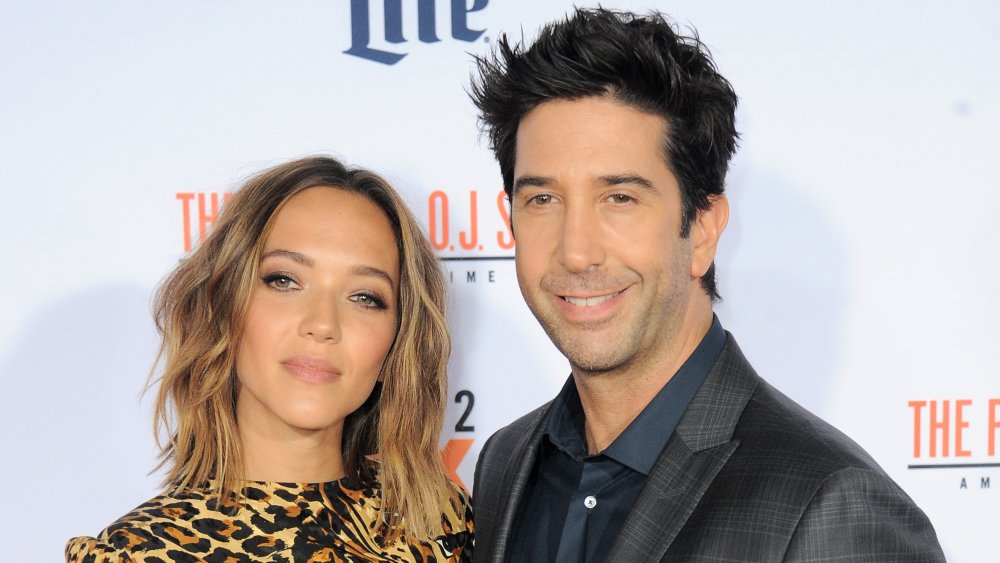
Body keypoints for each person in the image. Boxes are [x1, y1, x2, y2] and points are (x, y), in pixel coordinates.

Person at [469, 8, 944, 562]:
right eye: (542, 199)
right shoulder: (505, 462)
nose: (576, 251)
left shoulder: (834, 506)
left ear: (702, 228)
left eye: (619, 198)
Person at [66, 156, 473, 561]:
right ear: (224, 308)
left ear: (396, 345)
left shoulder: (441, 526)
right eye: (284, 281)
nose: (322, 323)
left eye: (365, 297)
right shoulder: (136, 554)